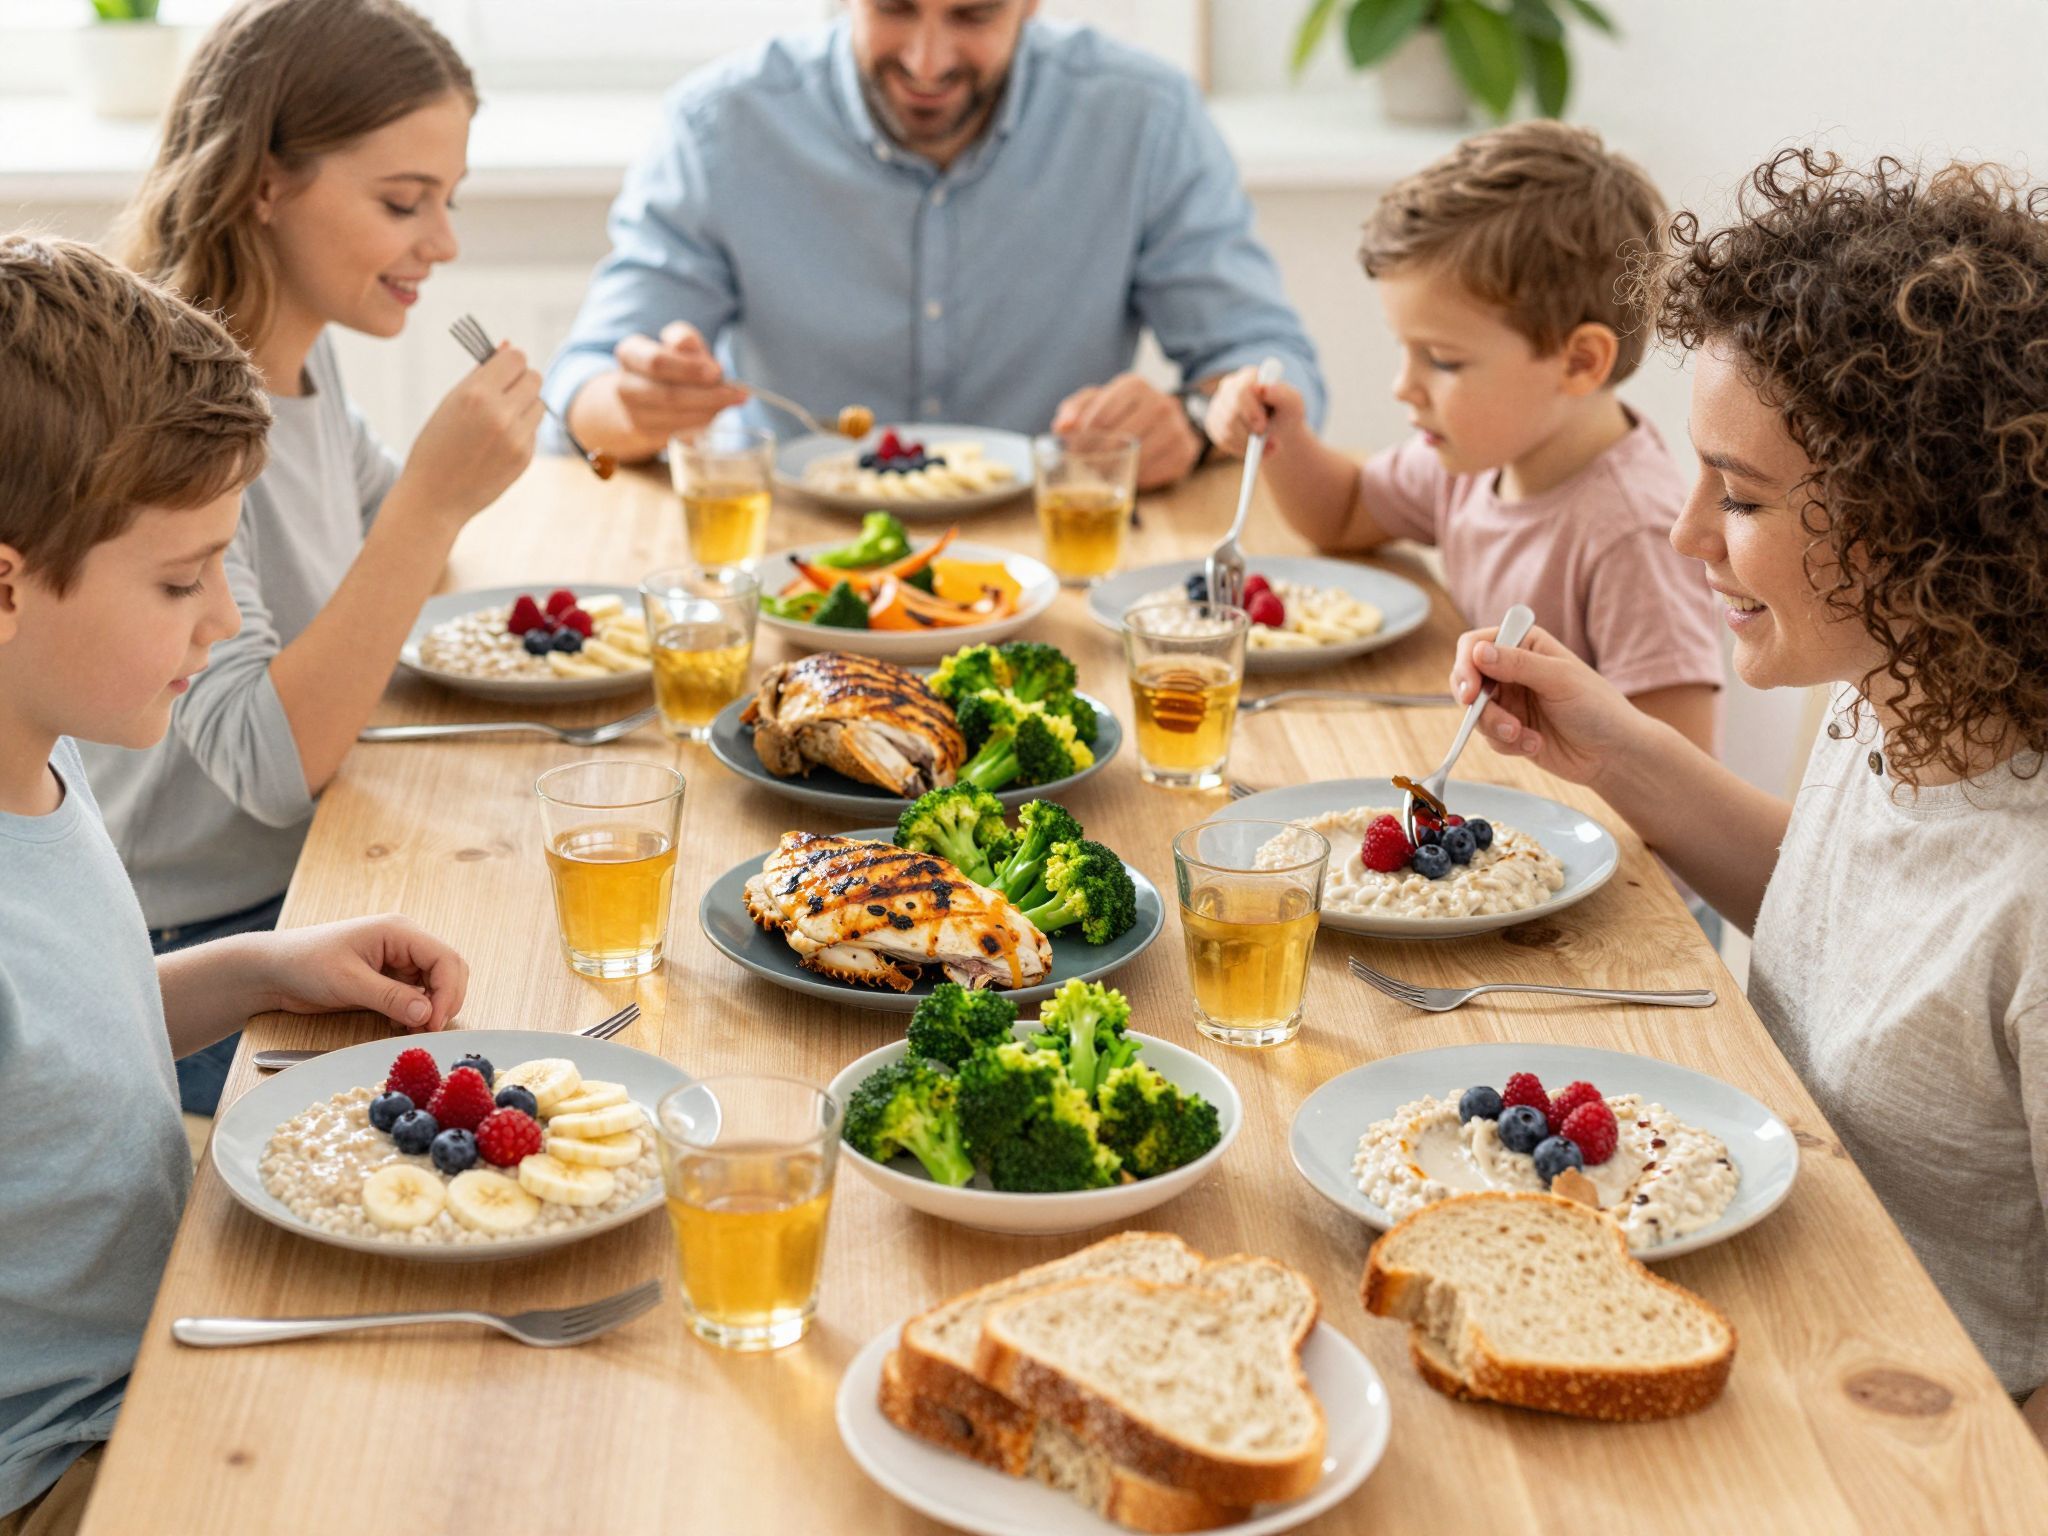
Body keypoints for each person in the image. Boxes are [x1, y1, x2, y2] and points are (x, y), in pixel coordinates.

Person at [1446, 150, 2048, 1427]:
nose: (1682, 535)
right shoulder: (1889, 688)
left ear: (1919, 518)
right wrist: (1608, 749)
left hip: (1884, 1422)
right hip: (1741, 1299)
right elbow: (1841, 921)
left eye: (1744, 496)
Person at [0, 233, 471, 1536]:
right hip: (75, 1466)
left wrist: (262, 969)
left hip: (168, 1330)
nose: (222, 621)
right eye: (179, 578)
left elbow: (58, 1046)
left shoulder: (41, 756)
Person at [80, 0, 540, 1117]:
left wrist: (441, 498)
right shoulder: (180, 418)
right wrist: (434, 503)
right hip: (196, 950)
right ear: (266, 184)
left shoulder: (299, 363)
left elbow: (384, 550)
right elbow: (272, 765)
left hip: (300, 893)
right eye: (402, 202)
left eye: (446, 200)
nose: (442, 243)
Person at [544, 0, 1323, 491]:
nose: (926, 60)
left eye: (973, 15)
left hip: (1060, 551)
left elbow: (1274, 368)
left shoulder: (1144, 117)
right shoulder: (721, 125)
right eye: (894, 8)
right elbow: (576, 392)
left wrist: (1191, 424)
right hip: (791, 551)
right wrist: (635, 403)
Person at [1207, 121, 1721, 755]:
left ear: (1579, 362)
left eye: (1442, 360)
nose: (1403, 386)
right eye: (1405, 351)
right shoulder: (1471, 461)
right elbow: (1340, 514)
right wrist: (1280, 433)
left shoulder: (1633, 534)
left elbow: (1678, 773)